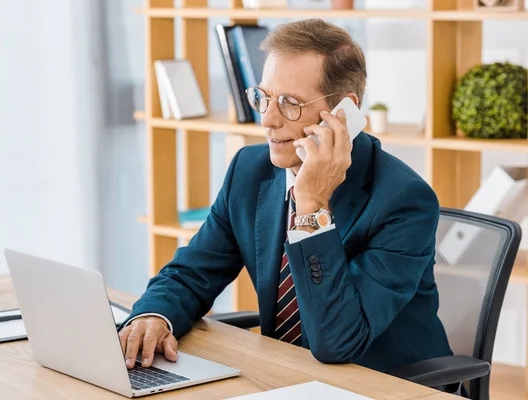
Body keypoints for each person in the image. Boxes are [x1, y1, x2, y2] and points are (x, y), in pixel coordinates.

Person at [119, 18, 453, 374]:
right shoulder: (250, 170)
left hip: (387, 384)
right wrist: (154, 315)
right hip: (287, 374)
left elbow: (338, 342)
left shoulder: (404, 201)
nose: (268, 120)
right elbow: (192, 273)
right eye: (261, 97)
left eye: (289, 103)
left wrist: (311, 207)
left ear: (344, 110)